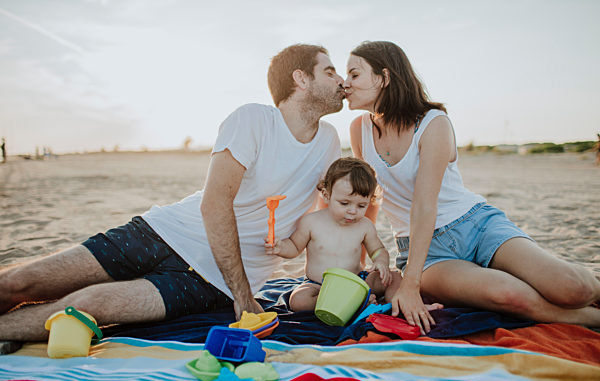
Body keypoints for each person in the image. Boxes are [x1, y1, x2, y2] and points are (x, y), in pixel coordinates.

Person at [0, 44, 346, 342]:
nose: (342, 81)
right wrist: (244, 296)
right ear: (301, 79)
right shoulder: (252, 119)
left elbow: (329, 214)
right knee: (20, 282)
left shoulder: (329, 142)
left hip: (211, 284)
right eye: (330, 71)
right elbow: (215, 203)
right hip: (161, 233)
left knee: (88, 305)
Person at [343, 40, 600, 334]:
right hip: (425, 254)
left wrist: (410, 284)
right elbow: (370, 198)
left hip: (476, 225)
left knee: (573, 289)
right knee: (509, 295)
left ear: (384, 77)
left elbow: (425, 205)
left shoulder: (433, 123)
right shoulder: (359, 130)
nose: (345, 83)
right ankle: (589, 320)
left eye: (354, 74)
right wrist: (365, 258)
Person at [265, 157, 394, 311]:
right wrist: (280, 247)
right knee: (298, 301)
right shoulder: (311, 222)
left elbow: (378, 249)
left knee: (394, 278)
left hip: (355, 282)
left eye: (361, 205)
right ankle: (350, 303)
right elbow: (294, 246)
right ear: (327, 195)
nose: (352, 211)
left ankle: (371, 303)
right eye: (344, 203)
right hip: (319, 285)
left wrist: (381, 262)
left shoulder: (365, 226)